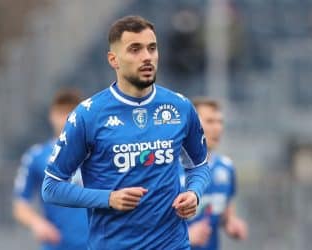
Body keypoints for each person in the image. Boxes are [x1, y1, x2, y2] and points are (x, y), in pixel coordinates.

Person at [41, 15, 210, 250]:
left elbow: (199, 165)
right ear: (114, 59)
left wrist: (194, 193)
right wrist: (108, 198)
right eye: (135, 49)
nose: (147, 57)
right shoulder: (88, 115)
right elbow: (51, 187)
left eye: (152, 48)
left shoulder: (180, 108)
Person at [13, 89, 88, 250]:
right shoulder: (36, 156)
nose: (66, 118)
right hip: (56, 244)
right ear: (51, 116)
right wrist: (37, 224)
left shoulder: (96, 153)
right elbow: (20, 205)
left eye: (71, 112)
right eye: (61, 113)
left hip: (95, 243)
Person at [183, 97, 248, 250]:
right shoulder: (170, 169)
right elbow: (148, 227)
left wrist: (232, 224)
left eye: (220, 122)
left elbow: (226, 215)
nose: (217, 128)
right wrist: (186, 237)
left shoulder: (226, 168)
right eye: (210, 121)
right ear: (190, 125)